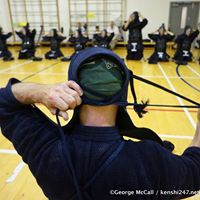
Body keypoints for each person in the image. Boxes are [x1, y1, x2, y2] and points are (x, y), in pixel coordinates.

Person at [0, 47, 200, 200]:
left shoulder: (44, 148)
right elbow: (195, 171)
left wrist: (41, 92)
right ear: (123, 93)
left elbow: (4, 102)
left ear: (72, 86)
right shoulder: (152, 162)